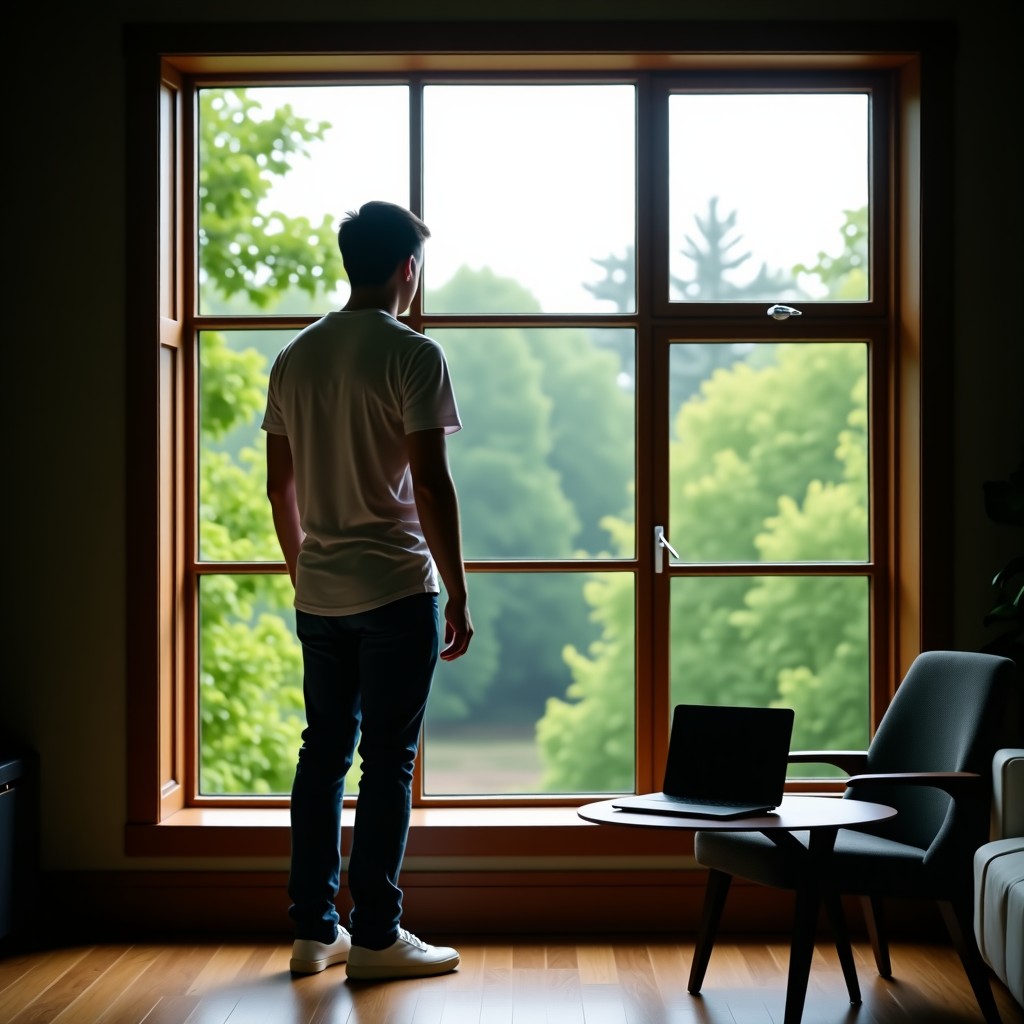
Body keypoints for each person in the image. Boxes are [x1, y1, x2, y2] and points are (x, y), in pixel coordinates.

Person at [261, 200, 473, 982]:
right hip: (394, 588)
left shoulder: (295, 357)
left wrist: (303, 571)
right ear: (406, 270)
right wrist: (458, 589)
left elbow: (279, 491)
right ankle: (377, 936)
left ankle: (315, 933)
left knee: (323, 755)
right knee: (386, 761)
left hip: (321, 593)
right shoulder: (414, 354)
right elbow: (431, 484)